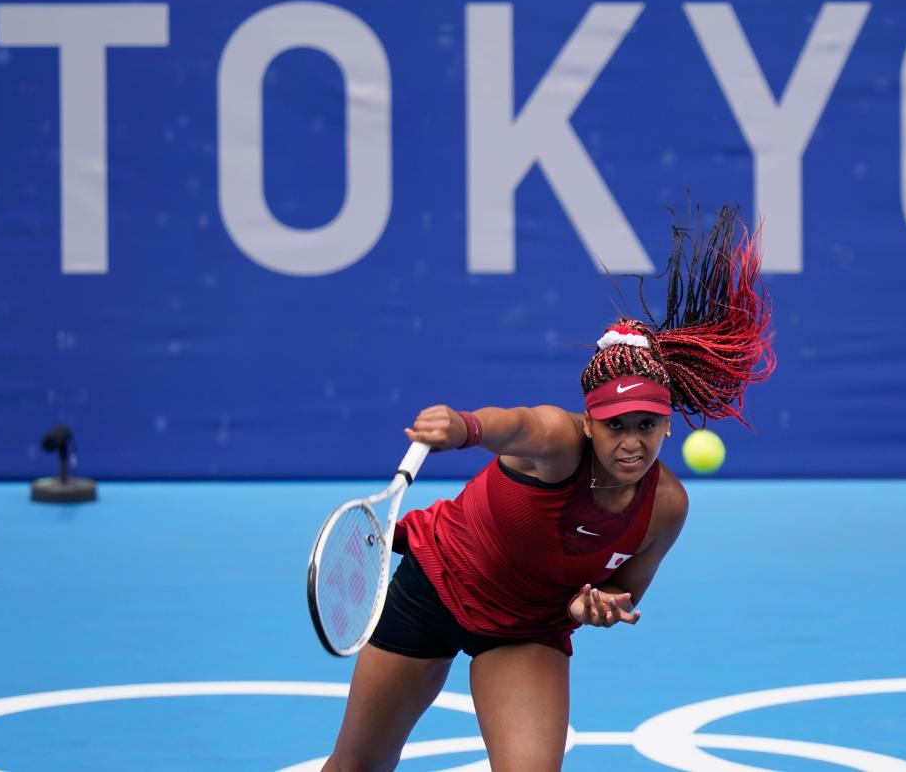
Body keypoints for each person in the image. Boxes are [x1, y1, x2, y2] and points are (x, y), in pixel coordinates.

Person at [321, 205, 775, 772]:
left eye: (647, 425)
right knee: (356, 767)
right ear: (590, 421)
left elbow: (624, 589)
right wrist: (464, 428)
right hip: (437, 586)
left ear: (666, 424)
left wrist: (600, 605)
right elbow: (517, 424)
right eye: (615, 425)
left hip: (526, 626)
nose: (632, 442)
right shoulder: (559, 441)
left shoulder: (666, 507)